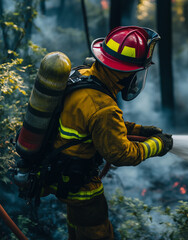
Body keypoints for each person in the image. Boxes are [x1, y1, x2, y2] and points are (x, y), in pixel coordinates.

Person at [49, 26, 173, 240]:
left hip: (61, 173)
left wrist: (139, 130)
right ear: (124, 73)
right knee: (97, 233)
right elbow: (121, 154)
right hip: (82, 186)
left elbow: (96, 125)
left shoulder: (83, 75)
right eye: (135, 72)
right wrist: (158, 145)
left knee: (76, 229)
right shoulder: (104, 108)